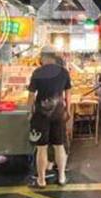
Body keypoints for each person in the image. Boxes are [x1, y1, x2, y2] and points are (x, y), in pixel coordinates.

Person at [27, 45, 72, 188]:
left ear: (44, 57)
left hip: (41, 114)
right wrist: (68, 110)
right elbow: (68, 93)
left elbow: (31, 95)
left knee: (42, 148)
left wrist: (29, 111)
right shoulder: (64, 72)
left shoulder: (37, 72)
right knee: (59, 145)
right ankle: (62, 177)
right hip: (58, 113)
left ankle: (41, 180)